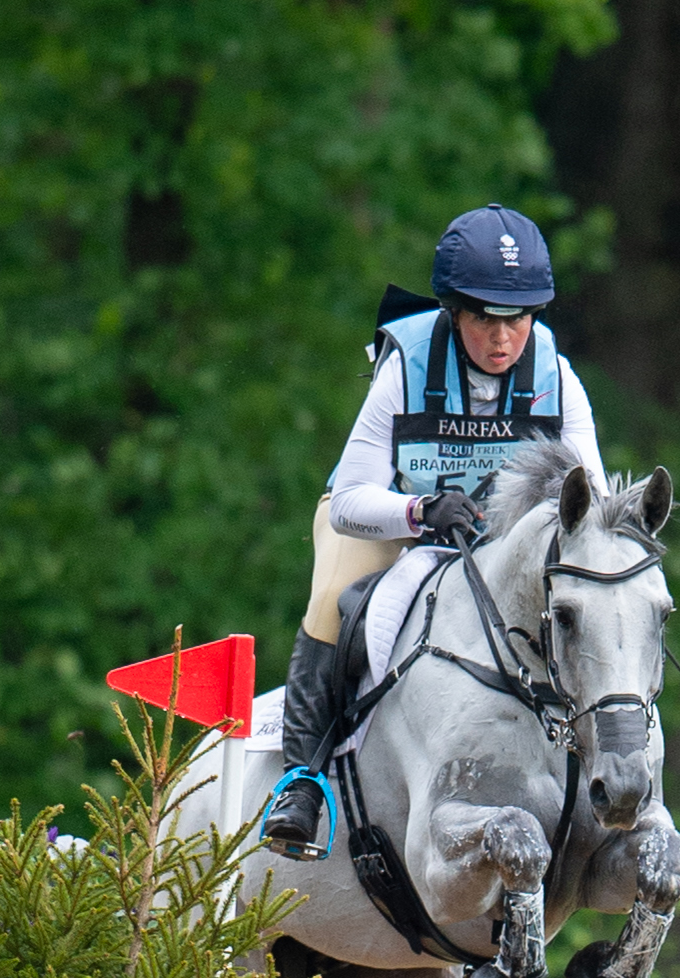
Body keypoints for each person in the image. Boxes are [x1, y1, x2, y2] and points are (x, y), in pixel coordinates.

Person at [260, 202, 608, 857]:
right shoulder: (407, 363)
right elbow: (350, 501)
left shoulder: (556, 378)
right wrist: (419, 513)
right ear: (453, 310)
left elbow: (593, 499)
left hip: (498, 540)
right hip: (387, 520)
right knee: (341, 603)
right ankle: (302, 784)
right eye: (484, 318)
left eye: (519, 318)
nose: (504, 339)